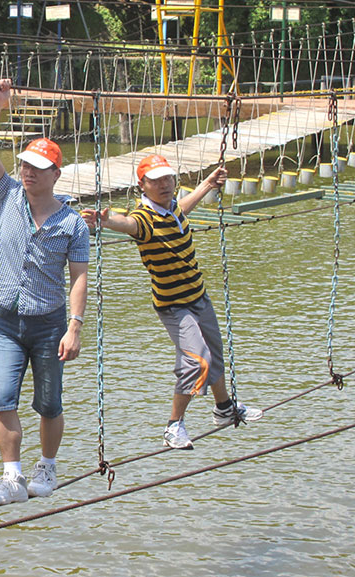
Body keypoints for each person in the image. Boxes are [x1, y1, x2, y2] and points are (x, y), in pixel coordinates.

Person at [80, 154, 263, 449]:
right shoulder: (145, 219)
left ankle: (224, 409)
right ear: (142, 185)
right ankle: (173, 426)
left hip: (198, 296)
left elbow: (183, 208)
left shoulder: (172, 208)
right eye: (156, 181)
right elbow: (128, 224)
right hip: (174, 305)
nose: (164, 185)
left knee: (214, 355)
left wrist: (207, 184)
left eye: (168, 178)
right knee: (198, 360)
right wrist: (106, 221)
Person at [0, 79, 90, 505]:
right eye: (25, 164)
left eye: (38, 168)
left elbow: (79, 277)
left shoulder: (73, 224)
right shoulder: (8, 196)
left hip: (49, 324)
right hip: (7, 320)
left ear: (55, 174)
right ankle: (11, 477)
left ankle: (47, 466)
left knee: (49, 403)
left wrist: (74, 327)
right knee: (2, 398)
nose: (28, 172)